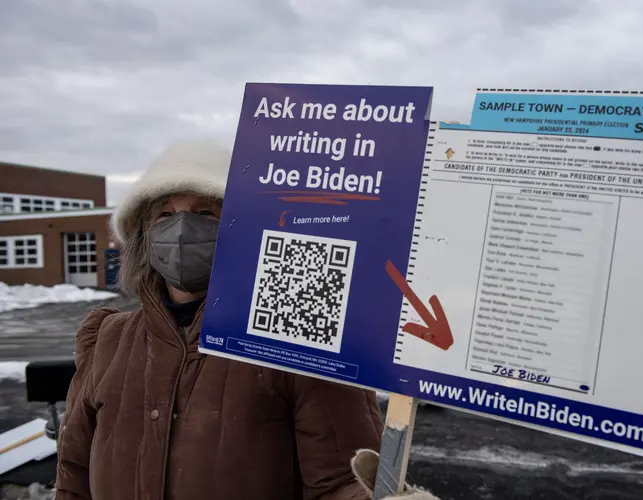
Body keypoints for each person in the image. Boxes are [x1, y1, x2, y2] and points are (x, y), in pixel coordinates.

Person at [55, 138, 438, 500]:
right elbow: (73, 478)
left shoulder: (296, 335)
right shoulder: (108, 340)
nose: (183, 230)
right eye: (166, 215)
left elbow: (338, 482)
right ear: (143, 234)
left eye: (205, 212)